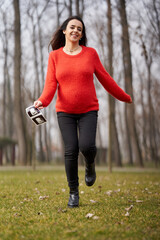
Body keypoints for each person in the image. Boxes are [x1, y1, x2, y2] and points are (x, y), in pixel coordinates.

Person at [34, 16, 132, 208]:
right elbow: (50, 86)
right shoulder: (55, 56)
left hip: (89, 110)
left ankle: (90, 164)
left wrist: (124, 97)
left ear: (82, 33)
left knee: (86, 147)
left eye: (79, 29)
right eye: (72, 27)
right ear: (64, 30)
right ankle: (73, 193)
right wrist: (41, 102)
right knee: (70, 150)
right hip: (65, 112)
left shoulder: (90, 54)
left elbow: (105, 78)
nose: (76, 31)